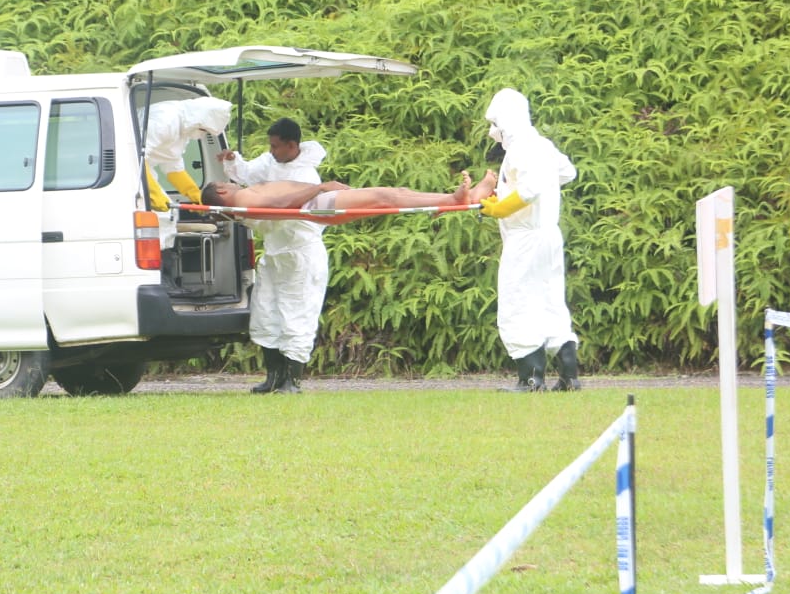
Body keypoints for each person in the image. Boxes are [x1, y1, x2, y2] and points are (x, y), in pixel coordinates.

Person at [216, 118, 329, 394]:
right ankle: (273, 378)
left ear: (292, 145)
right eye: (271, 146)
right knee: (265, 312)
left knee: (296, 315)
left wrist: (247, 215)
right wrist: (233, 161)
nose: (272, 151)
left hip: (300, 255)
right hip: (274, 252)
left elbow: (280, 210)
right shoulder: (270, 162)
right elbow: (247, 174)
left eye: (276, 146)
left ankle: (292, 381)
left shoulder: (307, 177)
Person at [478, 88, 581, 391]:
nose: (493, 131)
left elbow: (530, 189)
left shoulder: (521, 148)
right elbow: (567, 173)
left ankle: (531, 379)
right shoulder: (542, 145)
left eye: (495, 123)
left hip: (525, 239)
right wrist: (508, 194)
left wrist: (500, 208)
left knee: (518, 303)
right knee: (551, 302)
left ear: (507, 120)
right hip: (549, 236)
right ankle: (569, 376)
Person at [201, 171, 495, 226]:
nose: (231, 182)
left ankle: (456, 199)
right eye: (226, 182)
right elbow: (279, 204)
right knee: (385, 196)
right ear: (222, 191)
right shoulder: (242, 199)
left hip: (319, 205)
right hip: (317, 205)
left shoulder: (243, 199)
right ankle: (453, 200)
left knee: (394, 194)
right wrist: (320, 187)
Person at [143, 96, 233, 210]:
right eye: (204, 131)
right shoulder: (165, 120)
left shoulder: (182, 130)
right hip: (127, 170)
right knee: (160, 213)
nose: (202, 135)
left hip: (139, 171)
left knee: (166, 213)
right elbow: (135, 157)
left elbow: (172, 164)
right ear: (198, 121)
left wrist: (194, 194)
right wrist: (152, 192)